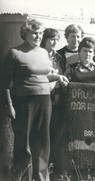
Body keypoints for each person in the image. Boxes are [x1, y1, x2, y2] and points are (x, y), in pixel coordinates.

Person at [2, 19, 69, 181]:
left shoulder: (43, 52)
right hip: (23, 101)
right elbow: (4, 82)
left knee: (42, 141)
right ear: (25, 34)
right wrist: (9, 105)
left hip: (45, 101)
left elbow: (44, 75)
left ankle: (41, 177)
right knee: (23, 143)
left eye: (40, 33)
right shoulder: (15, 53)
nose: (38, 36)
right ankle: (23, 176)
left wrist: (58, 76)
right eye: (34, 33)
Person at [40, 28, 66, 177]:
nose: (55, 42)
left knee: (55, 135)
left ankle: (53, 167)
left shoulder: (60, 58)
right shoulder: (39, 55)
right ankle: (41, 168)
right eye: (52, 39)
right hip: (43, 100)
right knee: (43, 135)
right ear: (45, 40)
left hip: (57, 101)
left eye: (57, 39)